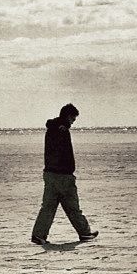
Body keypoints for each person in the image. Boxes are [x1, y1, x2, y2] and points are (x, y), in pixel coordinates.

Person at [31, 103, 98, 245]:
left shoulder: (51, 129)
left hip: (50, 172)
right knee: (72, 207)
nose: (73, 123)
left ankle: (39, 235)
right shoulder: (62, 130)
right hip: (63, 175)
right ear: (68, 116)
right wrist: (68, 170)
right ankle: (85, 233)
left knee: (48, 207)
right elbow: (64, 154)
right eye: (73, 119)